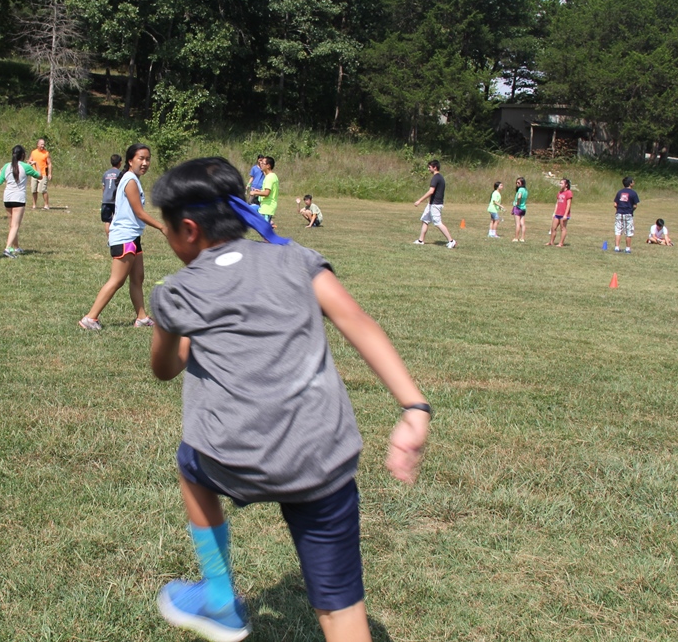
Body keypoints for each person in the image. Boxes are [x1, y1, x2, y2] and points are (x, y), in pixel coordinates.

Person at [148, 157, 431, 642]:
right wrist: (414, 407)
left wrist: (185, 335)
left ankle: (219, 596)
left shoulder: (177, 292)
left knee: (189, 464)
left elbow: (164, 368)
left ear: (188, 230)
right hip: (321, 460)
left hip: (231, 459)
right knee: (342, 615)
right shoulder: (296, 259)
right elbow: (356, 321)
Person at [78, 143, 166, 330]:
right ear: (130, 161)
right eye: (141, 158)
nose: (145, 163)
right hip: (124, 237)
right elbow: (139, 212)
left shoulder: (132, 178)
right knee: (117, 280)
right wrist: (162, 227)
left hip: (133, 236)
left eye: (148, 159)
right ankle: (90, 318)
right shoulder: (130, 180)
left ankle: (142, 318)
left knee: (138, 277)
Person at [0, 145, 41, 258]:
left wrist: (0, 171)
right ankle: (7, 248)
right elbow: (39, 176)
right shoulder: (26, 167)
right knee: (15, 225)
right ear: (23, 155)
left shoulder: (6, 166)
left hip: (7, 198)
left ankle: (15, 247)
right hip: (18, 198)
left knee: (11, 224)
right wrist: (36, 164)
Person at [413, 159, 457, 248]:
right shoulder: (439, 177)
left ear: (435, 167)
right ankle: (421, 240)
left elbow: (431, 191)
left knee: (437, 223)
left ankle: (451, 241)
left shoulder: (436, 178)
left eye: (429, 167)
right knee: (425, 220)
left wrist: (419, 200)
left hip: (435, 204)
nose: (428, 169)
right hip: (431, 204)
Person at [613, 176, 640, 253]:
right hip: (628, 213)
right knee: (629, 231)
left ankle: (617, 247)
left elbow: (615, 204)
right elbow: (635, 205)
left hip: (619, 213)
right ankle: (627, 248)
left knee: (618, 230)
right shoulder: (633, 193)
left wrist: (619, 209)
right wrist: (631, 210)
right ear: (630, 183)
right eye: (633, 181)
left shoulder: (619, 192)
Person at [250, 156, 279, 223]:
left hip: (267, 208)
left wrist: (254, 193)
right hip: (265, 207)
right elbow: (269, 191)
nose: (261, 164)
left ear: (268, 166)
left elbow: (266, 193)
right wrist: (260, 191)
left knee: (264, 228)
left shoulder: (269, 177)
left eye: (263, 163)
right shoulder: (272, 176)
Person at [547, 178, 573, 247]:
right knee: (553, 228)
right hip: (558, 213)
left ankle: (561, 243)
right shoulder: (559, 192)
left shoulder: (569, 192)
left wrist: (565, 215)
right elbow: (557, 203)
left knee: (562, 228)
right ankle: (551, 242)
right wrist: (554, 212)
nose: (560, 185)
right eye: (560, 183)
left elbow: (568, 204)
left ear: (566, 185)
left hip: (564, 214)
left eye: (562, 183)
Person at [101, 153, 122, 234]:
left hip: (106, 200)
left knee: (107, 221)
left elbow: (103, 187)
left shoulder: (106, 173)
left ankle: (109, 239)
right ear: (120, 163)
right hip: (116, 200)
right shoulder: (120, 174)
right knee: (118, 220)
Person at [30, 138, 52, 210]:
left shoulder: (46, 153)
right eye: (41, 144)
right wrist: (30, 163)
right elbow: (29, 161)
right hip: (34, 174)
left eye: (43, 144)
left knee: (43, 190)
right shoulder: (33, 152)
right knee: (34, 190)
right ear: (38, 145)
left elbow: (49, 164)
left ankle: (46, 205)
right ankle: (34, 205)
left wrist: (49, 173)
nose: (43, 146)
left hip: (43, 174)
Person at [511, 177, 528, 242]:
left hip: (518, 207)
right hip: (523, 208)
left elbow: (519, 196)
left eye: (518, 182)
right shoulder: (525, 190)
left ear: (522, 183)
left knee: (517, 223)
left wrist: (517, 202)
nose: (517, 184)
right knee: (523, 224)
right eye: (516, 182)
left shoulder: (520, 189)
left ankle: (516, 237)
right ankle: (522, 238)